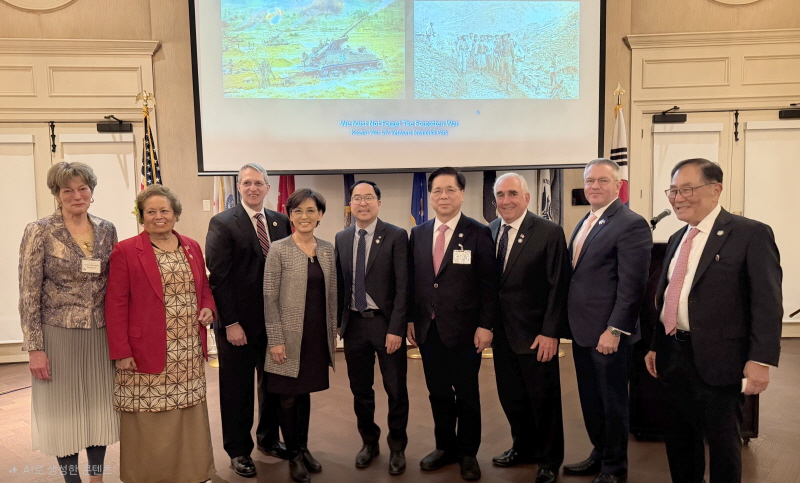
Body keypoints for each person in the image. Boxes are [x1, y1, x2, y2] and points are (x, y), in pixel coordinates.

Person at [644, 158, 782, 483]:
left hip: (721, 361)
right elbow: (669, 296)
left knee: (723, 445)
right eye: (673, 191)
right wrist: (655, 346)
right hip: (673, 355)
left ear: (715, 189)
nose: (678, 198)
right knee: (680, 441)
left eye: (687, 189)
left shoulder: (750, 234)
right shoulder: (677, 238)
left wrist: (760, 360)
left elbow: (767, 303)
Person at [19, 161, 119, 483]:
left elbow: (115, 285)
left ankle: (96, 478)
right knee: (65, 413)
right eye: (68, 190)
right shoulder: (40, 230)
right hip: (57, 334)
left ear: (91, 191)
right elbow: (28, 293)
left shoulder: (107, 229)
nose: (77, 196)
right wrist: (35, 348)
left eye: (83, 189)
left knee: (98, 411)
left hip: (100, 333)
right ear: (57, 194)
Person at [407, 167, 498, 481]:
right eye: (437, 190)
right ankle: (444, 446)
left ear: (462, 194)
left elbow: (488, 285)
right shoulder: (418, 233)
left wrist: (486, 325)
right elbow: (414, 282)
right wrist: (411, 319)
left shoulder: (478, 232)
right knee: (438, 392)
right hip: (428, 329)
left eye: (450, 190)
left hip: (465, 330)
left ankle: (468, 452)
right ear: (430, 196)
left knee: (467, 393)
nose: (443, 196)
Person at [564, 159, 652, 483]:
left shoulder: (631, 223)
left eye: (603, 180)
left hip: (608, 335)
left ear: (618, 185)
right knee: (591, 401)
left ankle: (615, 469)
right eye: (590, 181)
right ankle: (599, 454)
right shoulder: (586, 220)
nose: (595, 186)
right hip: (583, 331)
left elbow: (633, 286)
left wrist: (614, 330)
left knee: (613, 404)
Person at [205, 163, 291, 478]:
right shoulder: (223, 222)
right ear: (239, 187)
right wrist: (231, 323)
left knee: (273, 386)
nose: (253, 188)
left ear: (268, 188)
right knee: (237, 390)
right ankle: (238, 450)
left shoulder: (281, 222)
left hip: (273, 324)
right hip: (238, 325)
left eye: (258, 183)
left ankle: (268, 439)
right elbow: (219, 278)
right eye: (246, 183)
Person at [488, 173, 571, 483]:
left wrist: (550, 332)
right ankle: (522, 448)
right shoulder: (490, 230)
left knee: (544, 401)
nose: (506, 200)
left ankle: (549, 460)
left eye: (512, 193)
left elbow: (558, 286)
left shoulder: (549, 231)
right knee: (512, 398)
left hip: (536, 335)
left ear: (526, 198)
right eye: (500, 195)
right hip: (501, 335)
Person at [334, 180, 409, 475]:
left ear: (378, 202)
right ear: (350, 204)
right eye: (356, 198)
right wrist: (337, 324)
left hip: (385, 324)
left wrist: (397, 328)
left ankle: (397, 446)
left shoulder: (396, 235)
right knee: (360, 389)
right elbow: (340, 285)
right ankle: (369, 442)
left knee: (396, 389)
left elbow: (403, 287)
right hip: (354, 325)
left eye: (368, 198)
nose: (362, 203)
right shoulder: (342, 238)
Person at [265, 188, 338, 483]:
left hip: (316, 336)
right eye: (297, 211)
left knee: (304, 393)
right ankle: (293, 455)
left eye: (311, 210)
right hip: (288, 336)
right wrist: (276, 339)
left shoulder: (328, 249)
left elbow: (332, 294)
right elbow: (269, 297)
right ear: (290, 216)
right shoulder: (278, 249)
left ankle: (304, 448)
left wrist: (333, 331)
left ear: (320, 215)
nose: (304, 216)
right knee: (287, 396)